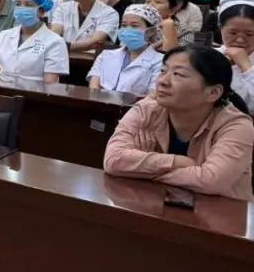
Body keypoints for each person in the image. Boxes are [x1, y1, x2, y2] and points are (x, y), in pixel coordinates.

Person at [103, 45, 253, 201]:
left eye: (178, 74)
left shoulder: (237, 126)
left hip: (218, 212)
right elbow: (113, 160)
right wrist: (177, 162)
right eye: (163, 71)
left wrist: (141, 169)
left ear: (213, 92)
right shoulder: (146, 110)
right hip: (152, 206)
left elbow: (211, 181)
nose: (162, 81)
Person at [0, 0, 69, 84]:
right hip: (1, 90)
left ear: (42, 12)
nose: (22, 8)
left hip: (34, 93)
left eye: (29, 5)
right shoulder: (4, 36)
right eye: (18, 4)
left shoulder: (55, 42)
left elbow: (49, 85)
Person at [87, 4, 164, 96]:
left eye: (134, 26)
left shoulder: (160, 61)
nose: (127, 30)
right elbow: (94, 88)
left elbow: (152, 96)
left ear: (151, 31)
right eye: (124, 25)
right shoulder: (105, 55)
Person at [50, 0, 120, 51]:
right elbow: (55, 33)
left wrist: (62, 46)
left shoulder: (109, 13)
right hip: (63, 56)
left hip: (92, 58)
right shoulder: (63, 8)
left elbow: (95, 42)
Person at [217, 0, 254, 111]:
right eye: (233, 33)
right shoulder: (209, 56)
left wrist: (247, 67)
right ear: (221, 29)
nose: (240, 40)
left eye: (249, 34)